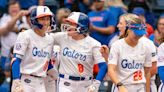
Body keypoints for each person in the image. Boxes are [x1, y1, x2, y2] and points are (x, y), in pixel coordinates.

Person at [51, 12, 107, 92]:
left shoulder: (94, 44)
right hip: (65, 83)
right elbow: (43, 38)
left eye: (72, 24)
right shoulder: (62, 37)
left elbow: (103, 66)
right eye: (68, 23)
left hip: (86, 84)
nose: (68, 26)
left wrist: (96, 84)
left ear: (82, 27)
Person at [11, 6, 57, 92]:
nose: (46, 22)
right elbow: (16, 60)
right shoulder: (25, 35)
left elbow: (47, 63)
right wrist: (16, 81)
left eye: (48, 19)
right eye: (42, 19)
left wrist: (57, 75)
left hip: (41, 82)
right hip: (25, 81)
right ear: (35, 20)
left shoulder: (50, 39)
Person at [108, 13, 152, 92]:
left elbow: (147, 72)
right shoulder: (117, 45)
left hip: (140, 86)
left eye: (140, 34)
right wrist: (119, 86)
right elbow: (111, 69)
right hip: (122, 85)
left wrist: (147, 90)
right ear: (128, 30)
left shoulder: (146, 46)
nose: (138, 36)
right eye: (136, 34)